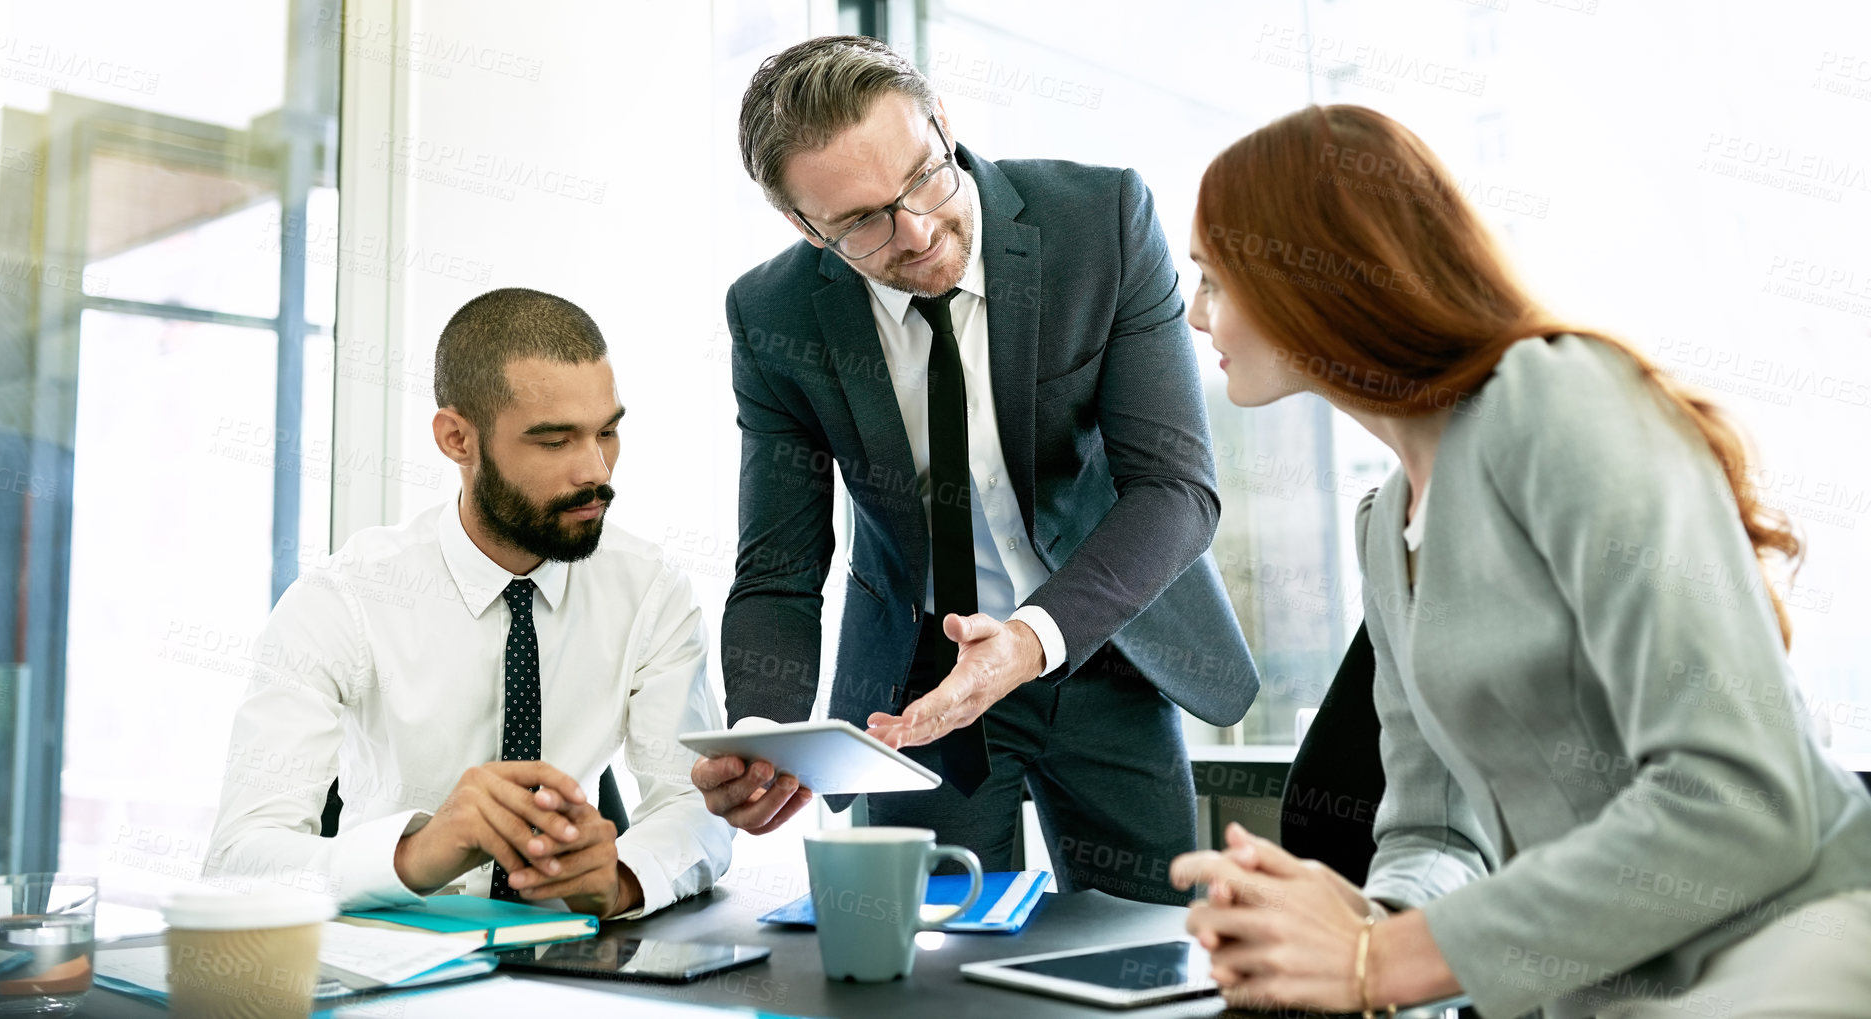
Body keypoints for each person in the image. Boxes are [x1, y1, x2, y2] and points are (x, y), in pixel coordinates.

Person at [1169, 105, 1871, 1019]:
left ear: (1318, 272)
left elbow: (1740, 797)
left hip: (1783, 959)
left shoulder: (1557, 400)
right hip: (1595, 990)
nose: (1193, 313)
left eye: (1214, 277)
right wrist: (1359, 919)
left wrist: (1384, 958)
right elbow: (1433, 829)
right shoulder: (1386, 525)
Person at [693, 35, 1258, 904]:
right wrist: (767, 737)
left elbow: (1175, 490)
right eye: (860, 222)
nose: (914, 232)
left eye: (922, 176)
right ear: (805, 227)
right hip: (915, 686)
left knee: (1142, 953)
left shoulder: (1098, 221)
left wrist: (1029, 640)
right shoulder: (771, 312)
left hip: (1099, 642)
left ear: (942, 124)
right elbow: (779, 564)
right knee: (921, 963)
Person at [207, 288, 732, 919]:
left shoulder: (650, 591)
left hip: (574, 955)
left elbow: (694, 803)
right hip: (388, 953)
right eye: (554, 441)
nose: (596, 471)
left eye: (608, 432)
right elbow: (237, 861)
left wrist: (621, 877)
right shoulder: (343, 601)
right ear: (457, 439)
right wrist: (418, 854)